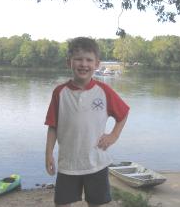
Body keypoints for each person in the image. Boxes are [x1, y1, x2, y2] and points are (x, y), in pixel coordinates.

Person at [45, 37, 130, 207]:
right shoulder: (60, 92)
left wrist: (113, 135)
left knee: (96, 203)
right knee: (61, 203)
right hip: (68, 163)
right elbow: (52, 126)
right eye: (78, 59)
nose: (84, 64)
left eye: (89, 60)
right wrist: (48, 154)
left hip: (96, 163)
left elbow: (123, 113)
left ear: (97, 64)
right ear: (69, 62)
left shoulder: (104, 91)